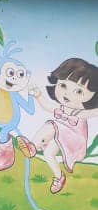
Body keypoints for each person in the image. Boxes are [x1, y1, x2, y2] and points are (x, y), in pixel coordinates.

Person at [31, 57, 98, 194]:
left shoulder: (80, 113)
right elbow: (47, 106)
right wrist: (38, 96)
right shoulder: (61, 108)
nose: (67, 94)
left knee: (51, 125)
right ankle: (59, 177)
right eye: (63, 86)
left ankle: (33, 146)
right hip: (61, 135)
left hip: (74, 138)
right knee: (49, 153)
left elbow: (94, 111)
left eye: (79, 91)